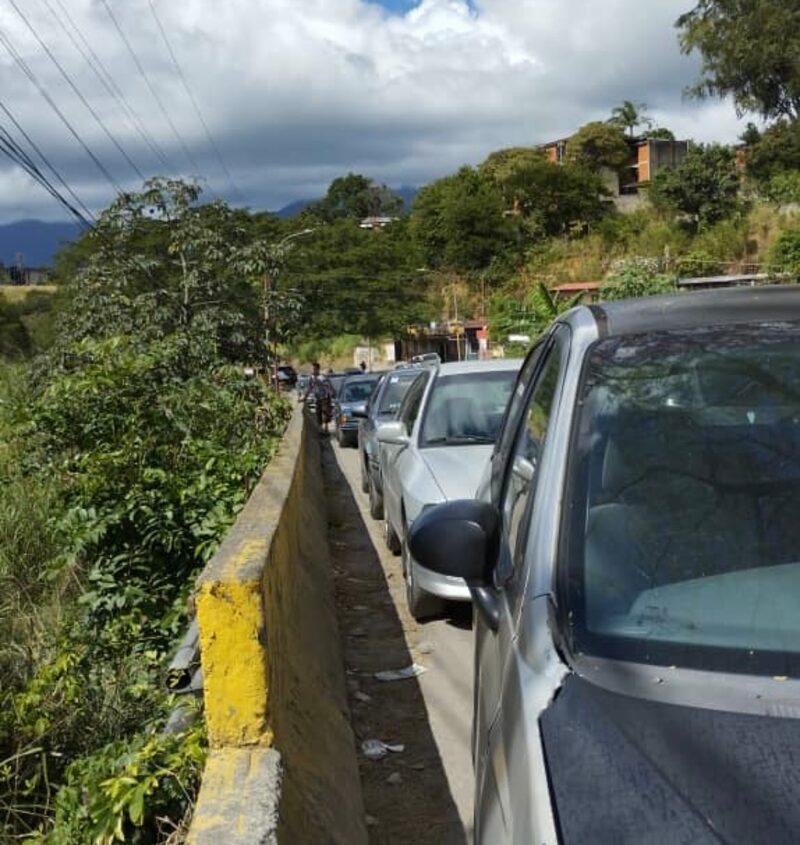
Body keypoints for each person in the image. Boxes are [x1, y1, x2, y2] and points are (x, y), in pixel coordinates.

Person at [304, 362, 334, 434]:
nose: (313, 370)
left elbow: (329, 386)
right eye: (312, 369)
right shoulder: (311, 378)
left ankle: (326, 428)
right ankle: (320, 429)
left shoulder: (323, 377)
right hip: (317, 398)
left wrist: (331, 394)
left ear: (318, 369)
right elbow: (309, 388)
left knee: (326, 413)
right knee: (318, 413)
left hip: (325, 397)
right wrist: (305, 397)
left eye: (314, 369)